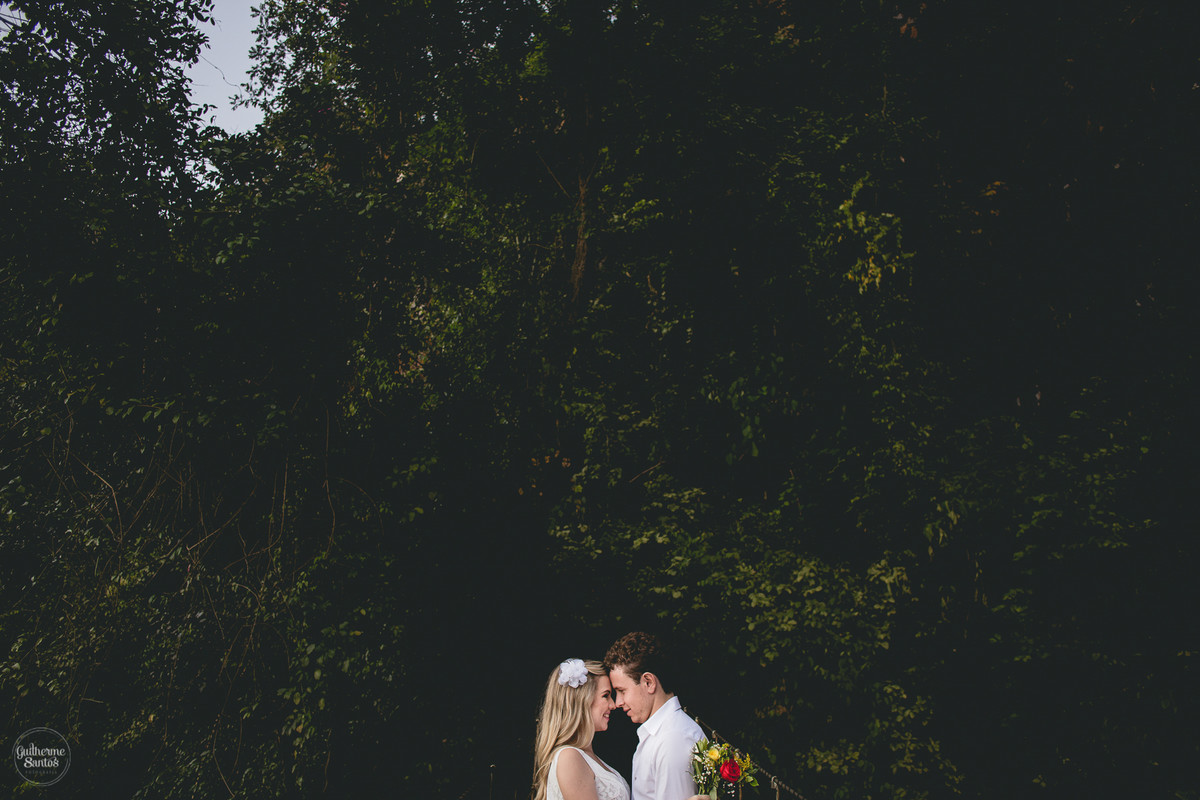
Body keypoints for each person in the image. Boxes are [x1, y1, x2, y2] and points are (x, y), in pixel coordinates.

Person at [604, 632, 705, 800]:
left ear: (649, 682)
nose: (618, 702)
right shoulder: (660, 733)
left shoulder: (673, 740)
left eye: (622, 691)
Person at [533, 658, 631, 800]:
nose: (613, 705)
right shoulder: (569, 757)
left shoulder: (587, 756)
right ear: (582, 700)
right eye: (606, 696)